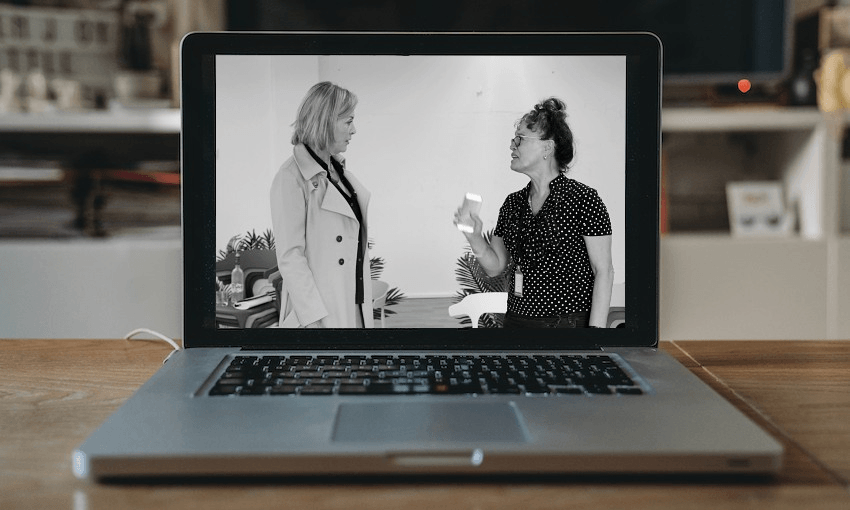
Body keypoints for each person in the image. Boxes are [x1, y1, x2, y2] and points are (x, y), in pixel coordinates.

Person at [455, 97, 614, 329]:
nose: (512, 146)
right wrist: (474, 236)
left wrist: (595, 337)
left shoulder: (584, 199)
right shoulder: (512, 203)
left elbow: (604, 271)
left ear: (547, 147)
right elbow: (495, 266)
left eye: (519, 139)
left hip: (567, 324)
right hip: (516, 323)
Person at [270, 82, 373, 328]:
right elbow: (291, 258)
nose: (354, 130)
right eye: (348, 121)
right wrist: (313, 320)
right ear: (325, 121)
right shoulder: (290, 177)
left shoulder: (337, 171)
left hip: (353, 302)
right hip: (320, 314)